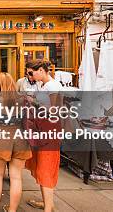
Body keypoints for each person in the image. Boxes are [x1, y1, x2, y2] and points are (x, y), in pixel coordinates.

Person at [0, 73, 32, 212]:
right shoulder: (23, 99)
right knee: (16, 177)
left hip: (2, 137)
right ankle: (12, 209)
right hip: (20, 138)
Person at [25, 60, 63, 212]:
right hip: (42, 130)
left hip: (49, 131)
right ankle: (48, 203)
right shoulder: (43, 85)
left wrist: (32, 103)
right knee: (41, 166)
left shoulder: (53, 86)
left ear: (40, 70)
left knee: (46, 167)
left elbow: (53, 111)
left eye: (31, 72)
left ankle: (48, 207)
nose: (30, 76)